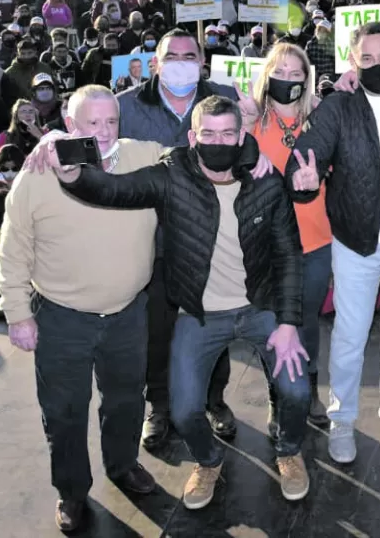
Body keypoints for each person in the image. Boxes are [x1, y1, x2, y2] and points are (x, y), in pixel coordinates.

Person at [48, 94, 312, 508]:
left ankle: (288, 450)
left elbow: (289, 255)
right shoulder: (173, 174)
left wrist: (289, 323)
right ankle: (207, 461)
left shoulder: (266, 180)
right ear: (192, 136)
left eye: (228, 133)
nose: (218, 141)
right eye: (208, 133)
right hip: (199, 314)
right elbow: (117, 190)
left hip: (261, 307)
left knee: (296, 391)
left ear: (241, 135)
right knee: (185, 410)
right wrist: (72, 177)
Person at [0, 86, 165, 532]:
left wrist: (247, 128)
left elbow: (202, 150)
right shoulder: (37, 174)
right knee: (65, 410)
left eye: (111, 122)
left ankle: (123, 464)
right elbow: (13, 249)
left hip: (128, 314)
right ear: (69, 126)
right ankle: (71, 491)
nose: (105, 132)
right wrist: (17, 313)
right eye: (93, 123)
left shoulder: (143, 156)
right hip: (60, 317)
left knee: (128, 399)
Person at [286, 21, 380, 464]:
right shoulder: (338, 107)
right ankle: (342, 420)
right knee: (351, 336)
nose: (376, 65)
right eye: (366, 59)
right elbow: (307, 153)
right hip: (356, 244)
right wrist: (303, 177)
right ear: (353, 62)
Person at [115, 28, 240, 450]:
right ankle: (160, 406)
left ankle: (213, 399)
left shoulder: (226, 97)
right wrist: (54, 140)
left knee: (214, 323)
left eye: (190, 55)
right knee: (156, 329)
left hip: (212, 239)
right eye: (172, 56)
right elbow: (92, 142)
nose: (182, 63)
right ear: (155, 62)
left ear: (203, 61)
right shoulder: (126, 107)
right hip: (149, 240)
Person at [243, 42, 334, 429]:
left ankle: (308, 389)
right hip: (266, 244)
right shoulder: (249, 119)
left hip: (314, 240)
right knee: (271, 321)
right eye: (279, 72)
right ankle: (277, 395)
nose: (287, 79)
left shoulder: (320, 117)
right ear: (266, 77)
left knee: (305, 320)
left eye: (296, 74)